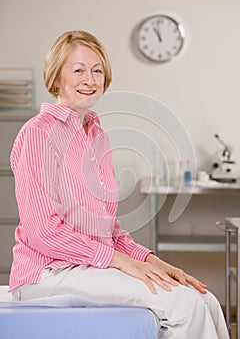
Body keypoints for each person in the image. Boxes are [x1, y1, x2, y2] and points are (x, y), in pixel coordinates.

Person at [9, 30, 229, 339]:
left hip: (91, 267)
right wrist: (124, 264)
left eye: (97, 70)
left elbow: (109, 230)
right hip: (49, 273)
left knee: (205, 299)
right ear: (56, 77)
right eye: (78, 70)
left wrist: (154, 262)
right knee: (185, 305)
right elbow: (43, 231)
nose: (90, 79)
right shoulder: (38, 134)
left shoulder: (97, 137)